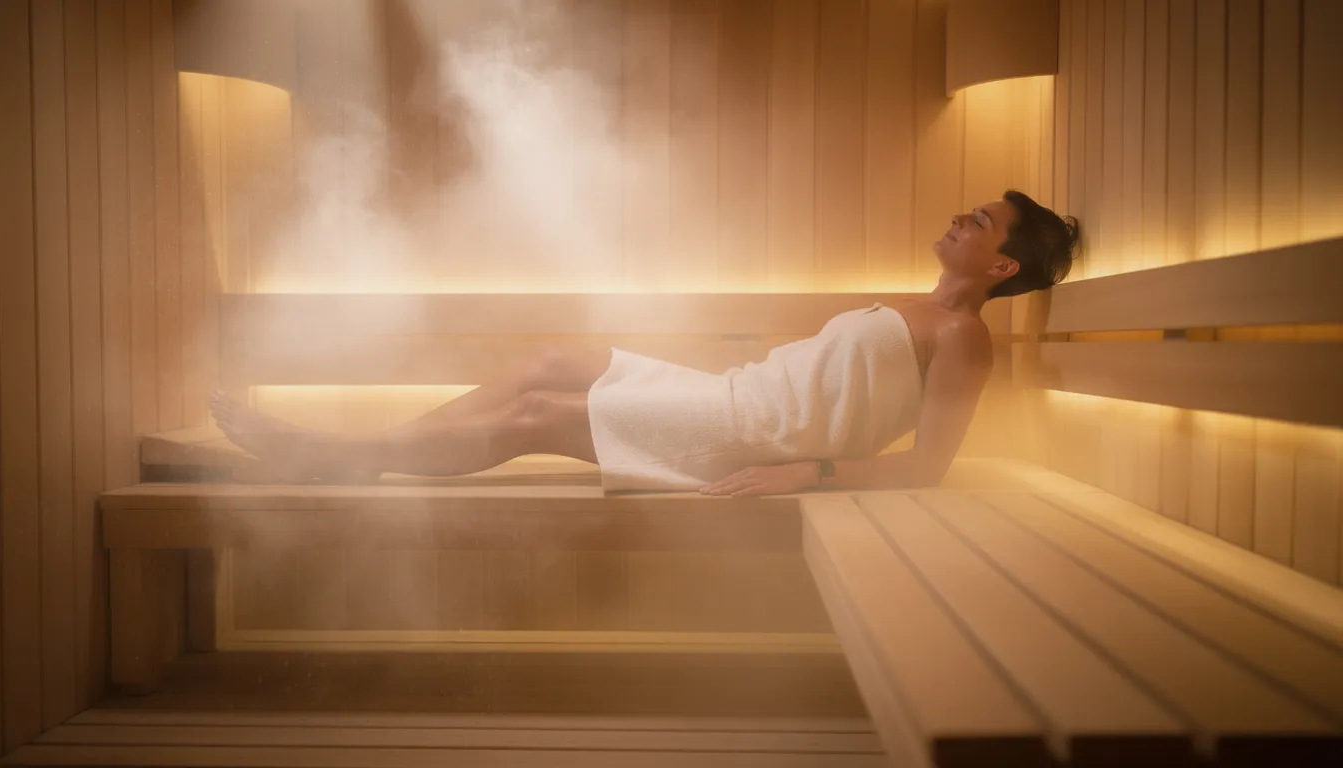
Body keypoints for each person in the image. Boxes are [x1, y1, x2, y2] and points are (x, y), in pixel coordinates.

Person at [210, 189, 1079, 496]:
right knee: (557, 359)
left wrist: (803, 473)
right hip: (738, 395)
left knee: (543, 415)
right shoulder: (918, 306)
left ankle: (335, 454)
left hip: (753, 434)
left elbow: (927, 467)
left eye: (982, 221)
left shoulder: (964, 339)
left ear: (1004, 266)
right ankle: (362, 451)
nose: (961, 219)